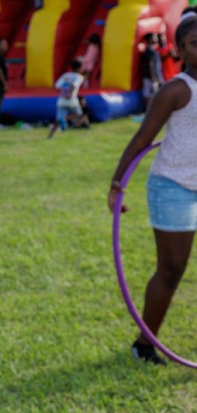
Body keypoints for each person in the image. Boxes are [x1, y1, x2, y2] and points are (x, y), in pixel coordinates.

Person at [108, 15, 197, 365]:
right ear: (180, 51)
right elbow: (142, 138)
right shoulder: (176, 90)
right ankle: (144, 345)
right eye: (195, 43)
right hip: (173, 186)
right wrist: (118, 183)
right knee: (172, 268)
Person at [48, 60, 85, 138]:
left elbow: (57, 86)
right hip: (72, 100)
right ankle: (67, 122)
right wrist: (69, 93)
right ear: (79, 68)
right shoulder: (79, 77)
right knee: (79, 115)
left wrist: (64, 92)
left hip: (62, 100)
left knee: (58, 119)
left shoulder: (65, 75)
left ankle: (51, 135)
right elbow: (74, 85)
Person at [141, 33, 162, 109]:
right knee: (149, 93)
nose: (156, 38)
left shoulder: (153, 51)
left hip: (151, 76)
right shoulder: (150, 51)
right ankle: (149, 108)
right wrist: (153, 76)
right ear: (149, 40)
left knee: (151, 93)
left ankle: (150, 108)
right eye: (153, 37)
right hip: (149, 77)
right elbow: (151, 64)